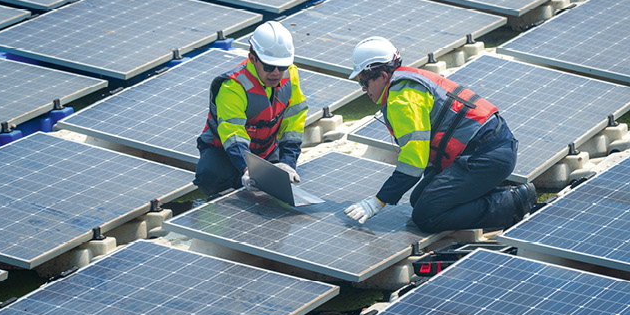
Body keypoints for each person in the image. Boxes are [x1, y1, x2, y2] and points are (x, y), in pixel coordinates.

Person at [344, 36, 535, 232]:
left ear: (383, 76)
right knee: (419, 199)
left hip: (486, 156)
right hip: (487, 148)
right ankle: (493, 192)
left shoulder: (403, 100)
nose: (364, 89)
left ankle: (514, 201)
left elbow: (414, 161)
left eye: (365, 82)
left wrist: (379, 201)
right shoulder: (406, 82)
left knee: (427, 216)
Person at [194, 21, 307, 195]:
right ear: (253, 58)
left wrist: (288, 162)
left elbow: (294, 122)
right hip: (225, 153)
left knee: (283, 181)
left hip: (266, 150)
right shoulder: (232, 86)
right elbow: (233, 134)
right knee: (210, 175)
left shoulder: (291, 75)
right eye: (269, 66)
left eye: (282, 66)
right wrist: (247, 169)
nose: (276, 72)